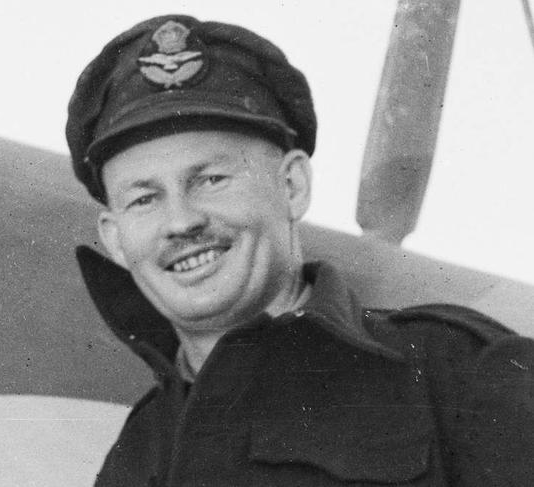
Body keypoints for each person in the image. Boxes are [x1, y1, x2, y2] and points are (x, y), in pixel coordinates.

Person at [66, 14, 534, 487]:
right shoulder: (135, 457)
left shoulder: (459, 373)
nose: (181, 221)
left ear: (292, 185)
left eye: (211, 179)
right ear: (114, 238)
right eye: (144, 199)